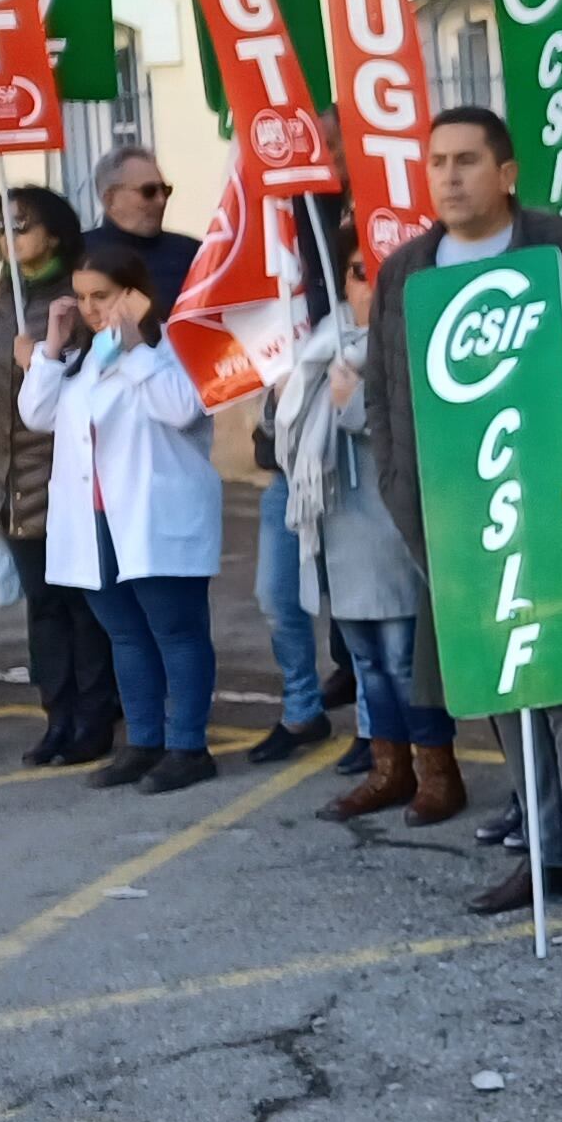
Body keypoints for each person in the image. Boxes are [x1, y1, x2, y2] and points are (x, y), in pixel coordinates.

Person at [361, 107, 562, 936]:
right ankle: (546, 854)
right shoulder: (407, 272)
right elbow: (387, 392)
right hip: (456, 517)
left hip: (560, 504)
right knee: (501, 684)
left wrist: (548, 413)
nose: (449, 177)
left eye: (466, 161)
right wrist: (401, 493)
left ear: (508, 170)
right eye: (436, 163)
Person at [19, 228, 227, 793]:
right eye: (82, 298)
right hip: (94, 523)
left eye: (102, 296)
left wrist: (135, 346)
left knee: (176, 633)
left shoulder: (172, 349)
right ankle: (144, 741)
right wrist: (51, 347)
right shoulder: (86, 360)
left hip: (156, 518)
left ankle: (188, 746)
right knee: (127, 636)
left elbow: (181, 408)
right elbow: (38, 415)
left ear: (135, 294)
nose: (90, 309)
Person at [282, 246, 434, 823]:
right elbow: (292, 437)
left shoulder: (411, 340)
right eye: (356, 273)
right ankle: (388, 770)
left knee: (403, 660)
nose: (367, 285)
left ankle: (435, 773)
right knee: (366, 662)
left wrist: (354, 405)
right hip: (340, 523)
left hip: (391, 523)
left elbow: (418, 430)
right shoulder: (323, 344)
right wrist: (285, 402)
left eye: (378, 272)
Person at [0, 186, 113, 768]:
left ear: (53, 230)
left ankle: (95, 718)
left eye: (21, 224)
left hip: (62, 469)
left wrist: (44, 360)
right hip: (5, 472)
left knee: (82, 603)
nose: (9, 237)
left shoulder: (76, 294)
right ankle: (58, 716)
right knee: (42, 605)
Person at [244, 200, 338, 768]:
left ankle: (387, 737)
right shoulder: (274, 275)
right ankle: (303, 710)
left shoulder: (354, 244)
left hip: (346, 469)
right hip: (286, 470)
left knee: (360, 611)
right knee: (277, 594)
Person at [89, 145, 200, 307]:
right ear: (110, 199)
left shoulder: (191, 252)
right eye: (149, 191)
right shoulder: (78, 254)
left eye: (165, 190)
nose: (161, 201)